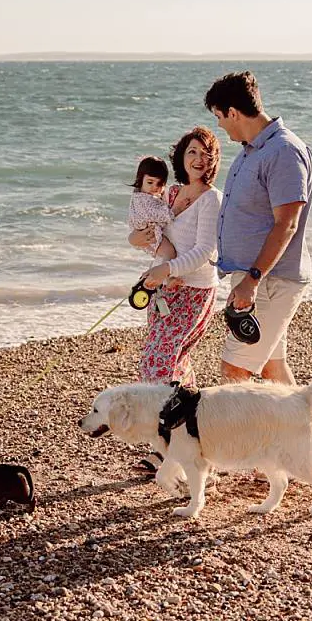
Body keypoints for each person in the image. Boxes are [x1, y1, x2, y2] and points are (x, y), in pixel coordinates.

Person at [206, 70, 312, 385]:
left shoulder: (284, 151)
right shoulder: (251, 151)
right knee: (271, 368)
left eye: (219, 116)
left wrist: (252, 280)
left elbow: (287, 224)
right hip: (257, 278)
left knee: (235, 369)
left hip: (269, 279)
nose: (219, 124)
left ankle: (246, 435)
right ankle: (302, 433)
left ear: (233, 112)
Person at [126, 127, 223, 472]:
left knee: (159, 363)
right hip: (163, 292)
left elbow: (203, 252)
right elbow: (147, 237)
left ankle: (166, 447)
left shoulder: (212, 199)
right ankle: (194, 440)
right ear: (181, 157)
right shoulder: (170, 194)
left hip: (194, 292)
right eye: (192, 152)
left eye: (206, 154)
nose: (199, 159)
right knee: (174, 365)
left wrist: (166, 269)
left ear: (214, 161)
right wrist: (140, 242)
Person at [127, 156, 175, 260]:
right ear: (140, 179)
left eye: (160, 183)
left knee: (162, 256)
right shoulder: (143, 199)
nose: (155, 187)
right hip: (150, 234)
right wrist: (177, 210)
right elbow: (159, 215)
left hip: (147, 233)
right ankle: (169, 276)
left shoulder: (141, 194)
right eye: (150, 182)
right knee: (169, 253)